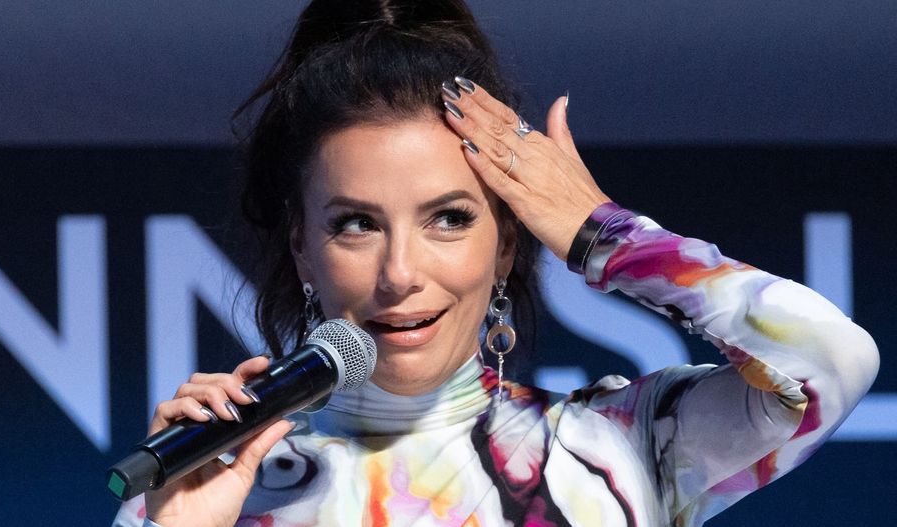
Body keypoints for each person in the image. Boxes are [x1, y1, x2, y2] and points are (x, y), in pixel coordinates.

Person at [112, 1, 879, 526]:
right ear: (301, 245)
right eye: (356, 224)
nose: (400, 272)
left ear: (508, 240)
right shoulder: (211, 487)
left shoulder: (624, 444)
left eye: (449, 217)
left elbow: (832, 359)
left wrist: (603, 234)